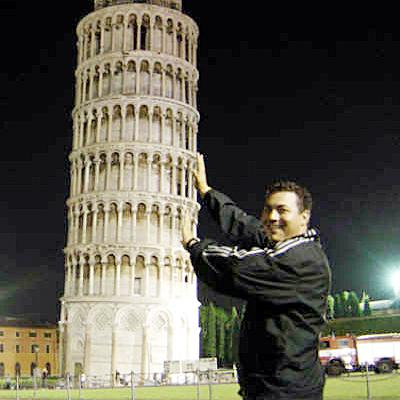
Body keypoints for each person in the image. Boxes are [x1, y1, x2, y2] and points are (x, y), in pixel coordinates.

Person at [182, 154, 331, 400]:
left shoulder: (300, 259)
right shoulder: (289, 246)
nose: (272, 217)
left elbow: (234, 268)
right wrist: (207, 192)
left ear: (304, 217)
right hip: (271, 386)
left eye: (282, 210)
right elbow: (247, 227)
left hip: (284, 391)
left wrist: (194, 245)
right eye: (268, 209)